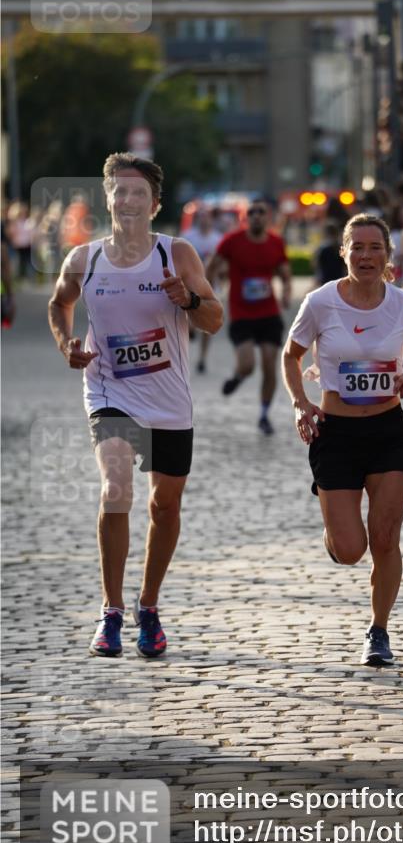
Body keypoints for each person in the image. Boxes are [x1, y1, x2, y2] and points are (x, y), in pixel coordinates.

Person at [47, 152, 223, 658]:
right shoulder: (85, 260)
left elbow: (214, 319)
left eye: (138, 193)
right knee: (116, 488)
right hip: (110, 393)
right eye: (119, 191)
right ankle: (111, 611)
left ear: (154, 204)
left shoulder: (177, 255)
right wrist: (66, 344)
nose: (127, 200)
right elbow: (60, 303)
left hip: (169, 400)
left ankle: (149, 605)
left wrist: (188, 300)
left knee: (164, 505)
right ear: (108, 199)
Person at [282, 213, 403, 666]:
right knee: (351, 549)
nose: (366, 255)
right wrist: (300, 403)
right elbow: (291, 356)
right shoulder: (320, 302)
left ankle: (379, 631)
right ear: (344, 253)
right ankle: (335, 533)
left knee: (386, 537)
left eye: (375, 247)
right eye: (357, 247)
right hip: (335, 433)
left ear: (388, 255)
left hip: (387, 431)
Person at [208, 199, 291, 435]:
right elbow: (211, 266)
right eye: (251, 212)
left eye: (260, 212)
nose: (256, 216)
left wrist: (286, 293)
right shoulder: (232, 241)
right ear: (246, 217)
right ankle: (238, 376)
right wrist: (208, 294)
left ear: (268, 217)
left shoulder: (276, 242)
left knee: (269, 365)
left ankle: (264, 415)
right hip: (241, 314)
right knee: (248, 366)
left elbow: (285, 273)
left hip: (269, 313)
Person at [183, 205, 222, 373]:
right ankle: (185, 352)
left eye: (207, 216)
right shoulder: (187, 237)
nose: (204, 219)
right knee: (186, 321)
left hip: (211, 286)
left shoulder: (218, 239)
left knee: (208, 324)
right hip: (189, 286)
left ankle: (202, 358)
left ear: (212, 219)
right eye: (201, 216)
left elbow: (223, 265)